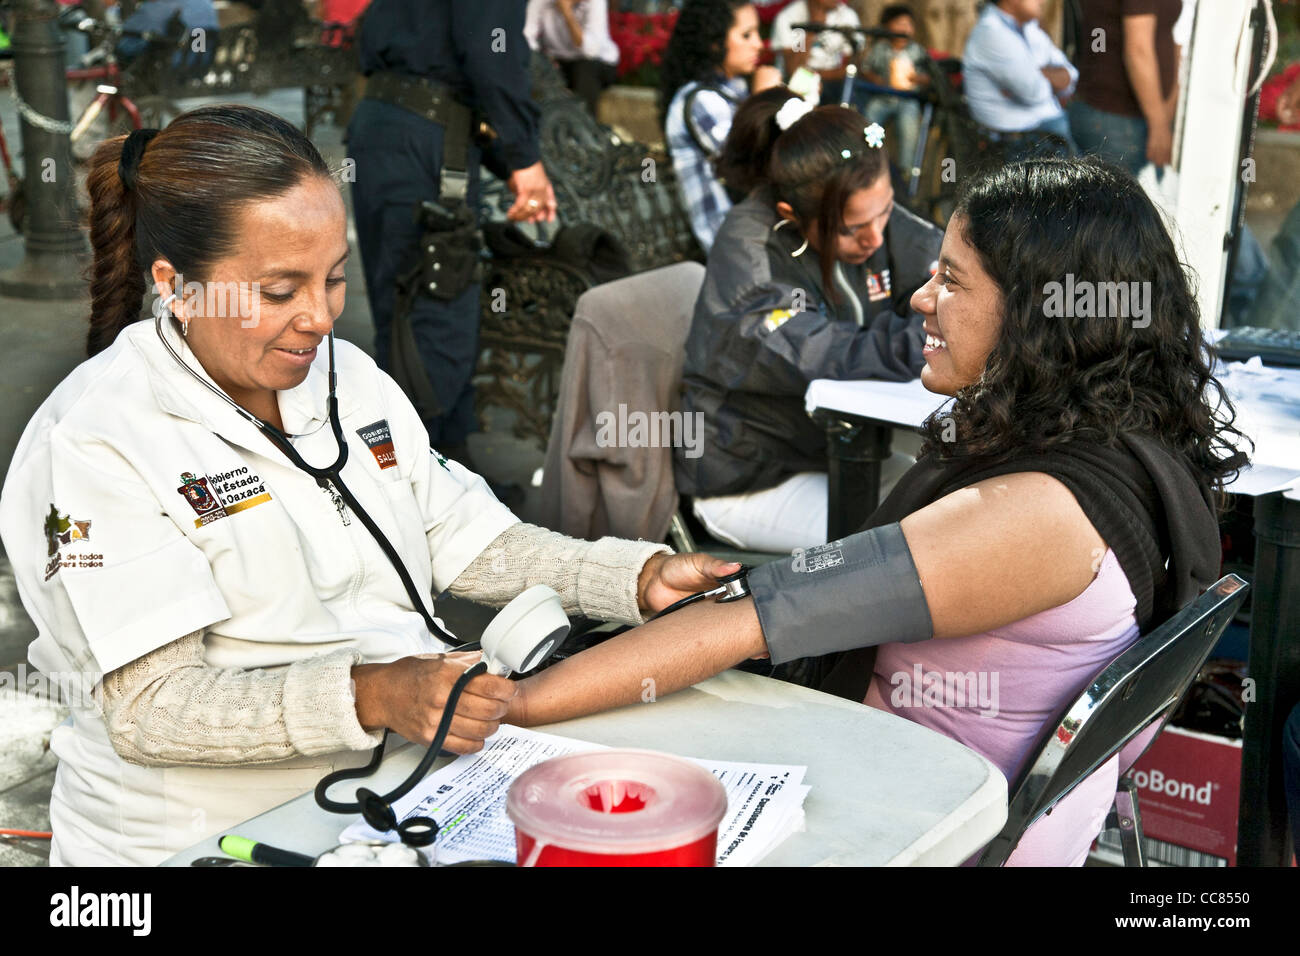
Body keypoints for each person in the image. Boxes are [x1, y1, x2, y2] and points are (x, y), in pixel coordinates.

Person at [0, 105, 735, 866]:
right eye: (280, 291)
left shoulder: (348, 378)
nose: (318, 318)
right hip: (204, 837)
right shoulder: (94, 438)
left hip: (391, 799)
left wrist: (635, 578)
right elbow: (154, 710)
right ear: (177, 286)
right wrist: (371, 694)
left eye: (335, 279)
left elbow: (463, 535)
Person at [508, 156, 1247, 867]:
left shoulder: (1032, 516)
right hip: (940, 790)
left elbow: (749, 619)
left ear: (1036, 314)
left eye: (951, 281)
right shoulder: (1131, 436)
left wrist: (514, 705)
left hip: (920, 825)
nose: (922, 298)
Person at [676, 88, 942, 552]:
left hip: (838, 452)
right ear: (790, 215)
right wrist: (935, 334)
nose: (875, 238)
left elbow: (941, 263)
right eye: (851, 229)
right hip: (751, 478)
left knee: (962, 498)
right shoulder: (749, 250)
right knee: (914, 543)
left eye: (885, 212)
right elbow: (820, 354)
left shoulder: (865, 211)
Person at [347, 0, 556, 472]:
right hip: (425, 135)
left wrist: (510, 159)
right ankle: (428, 487)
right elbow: (489, 53)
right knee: (434, 313)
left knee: (404, 314)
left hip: (390, 124)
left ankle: (443, 481)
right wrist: (523, 160)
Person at [661, 0, 782, 252]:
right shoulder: (699, 100)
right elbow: (747, 163)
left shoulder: (732, 88)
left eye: (757, 33)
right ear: (714, 43)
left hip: (755, 230)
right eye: (746, 35)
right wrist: (763, 100)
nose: (758, 44)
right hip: (731, 243)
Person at [1069, 0, 1182, 178]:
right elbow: (1138, 51)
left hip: (1125, 118)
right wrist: (1159, 125)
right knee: (1115, 201)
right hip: (1117, 118)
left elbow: (1171, 36)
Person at [961, 0, 1078, 159]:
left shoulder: (1030, 28)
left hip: (1048, 134)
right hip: (1022, 145)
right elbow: (1035, 92)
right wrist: (1050, 76)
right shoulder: (991, 32)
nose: (1042, 1)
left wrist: (1037, 72)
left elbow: (1071, 77)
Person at [860, 4, 930, 177]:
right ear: (887, 27)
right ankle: (866, 159)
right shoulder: (880, 49)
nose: (904, 28)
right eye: (899, 23)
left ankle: (907, 170)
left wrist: (918, 79)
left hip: (908, 99)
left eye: (908, 24)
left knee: (909, 128)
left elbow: (928, 75)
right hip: (884, 97)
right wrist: (877, 80)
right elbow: (866, 69)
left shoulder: (917, 51)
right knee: (870, 118)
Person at [524, 0, 620, 116]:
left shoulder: (595, 2)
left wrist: (567, 13)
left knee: (585, 70)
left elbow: (590, 51)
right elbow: (527, 39)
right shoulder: (540, 2)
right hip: (560, 61)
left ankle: (586, 126)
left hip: (598, 62)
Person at [770, 0, 861, 103]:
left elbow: (850, 69)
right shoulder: (788, 16)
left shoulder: (848, 16)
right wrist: (812, 29)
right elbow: (793, 70)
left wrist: (815, 76)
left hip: (833, 85)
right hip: (795, 87)